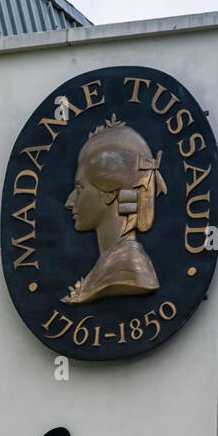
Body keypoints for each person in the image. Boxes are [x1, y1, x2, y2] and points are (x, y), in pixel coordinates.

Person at [62, 113, 166, 304]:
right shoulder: (110, 266)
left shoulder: (127, 269)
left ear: (110, 192)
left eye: (79, 188)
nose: (69, 201)